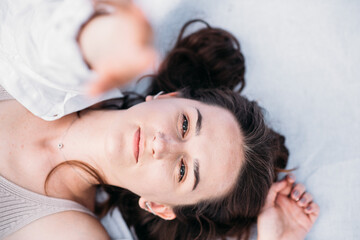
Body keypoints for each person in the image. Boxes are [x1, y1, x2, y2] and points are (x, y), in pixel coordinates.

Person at [0, 20, 319, 240]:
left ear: (159, 206)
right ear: (168, 97)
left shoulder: (69, 232)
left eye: (183, 171)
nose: (161, 145)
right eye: (185, 124)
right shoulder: (71, 47)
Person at [0, 0, 156, 121]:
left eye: (181, 164)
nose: (160, 145)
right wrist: (93, 40)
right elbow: (29, 39)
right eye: (182, 126)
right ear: (168, 96)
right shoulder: (56, 93)